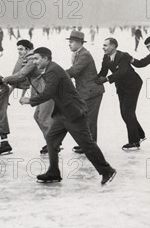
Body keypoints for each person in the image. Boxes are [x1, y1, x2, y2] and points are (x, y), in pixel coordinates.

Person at [19, 47, 116, 185]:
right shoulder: (49, 69)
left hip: (73, 113)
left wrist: (30, 100)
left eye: (37, 58)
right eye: (33, 59)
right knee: (51, 139)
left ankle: (107, 170)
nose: (34, 62)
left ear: (46, 58)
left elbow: (48, 93)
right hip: (62, 114)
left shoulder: (53, 71)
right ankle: (54, 172)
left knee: (87, 144)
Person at [0, 39, 54, 155]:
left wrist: (3, 79)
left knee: (43, 117)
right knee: (38, 117)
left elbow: (21, 74)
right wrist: (10, 95)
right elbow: (21, 79)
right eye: (18, 49)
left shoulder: (32, 59)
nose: (19, 52)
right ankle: (51, 142)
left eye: (21, 49)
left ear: (27, 49)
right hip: (39, 91)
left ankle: (53, 143)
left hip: (46, 91)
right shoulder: (26, 59)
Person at [96, 38, 145, 150]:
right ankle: (140, 135)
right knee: (125, 112)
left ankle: (134, 142)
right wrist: (94, 79)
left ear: (113, 46)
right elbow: (103, 71)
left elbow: (122, 71)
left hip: (133, 85)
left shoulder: (122, 56)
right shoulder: (106, 57)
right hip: (121, 86)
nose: (103, 47)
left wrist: (106, 79)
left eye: (105, 45)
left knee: (127, 112)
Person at [65, 31, 104, 154]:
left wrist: (57, 74)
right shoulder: (77, 54)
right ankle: (86, 144)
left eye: (71, 42)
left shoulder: (84, 55)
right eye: (69, 42)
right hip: (84, 91)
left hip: (92, 92)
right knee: (84, 118)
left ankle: (90, 146)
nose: (69, 45)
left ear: (79, 43)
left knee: (90, 119)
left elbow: (74, 71)